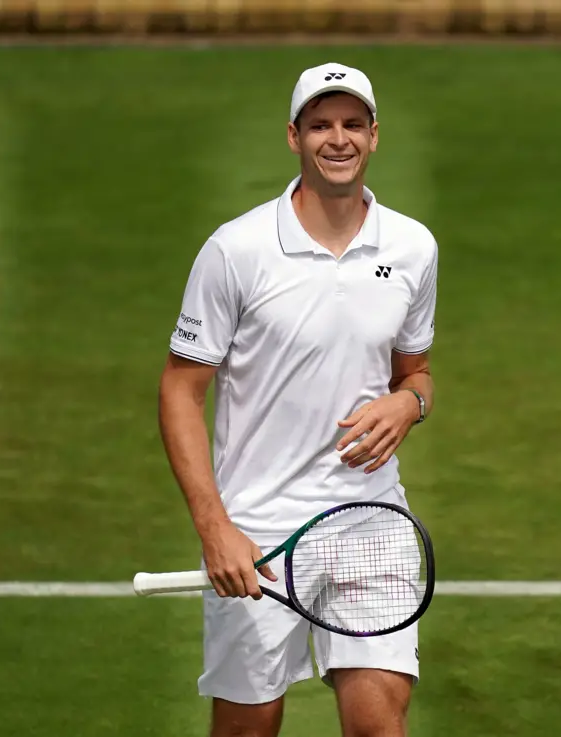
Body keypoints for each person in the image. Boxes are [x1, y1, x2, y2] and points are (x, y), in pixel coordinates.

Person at [159, 62, 438, 737]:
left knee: (378, 725)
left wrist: (410, 405)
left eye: (351, 124)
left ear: (375, 137)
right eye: (320, 124)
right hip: (258, 529)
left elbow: (417, 372)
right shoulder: (237, 250)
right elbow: (179, 389)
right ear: (294, 137)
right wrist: (215, 528)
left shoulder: (412, 248)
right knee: (247, 727)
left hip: (371, 525)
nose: (336, 138)